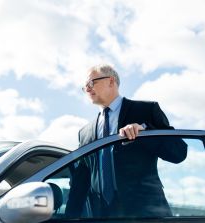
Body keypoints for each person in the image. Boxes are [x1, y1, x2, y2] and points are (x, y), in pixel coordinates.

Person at [65, 64, 187, 218]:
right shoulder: (84, 133)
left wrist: (146, 133)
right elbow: (80, 183)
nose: (87, 89)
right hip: (103, 216)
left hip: (146, 214)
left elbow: (179, 152)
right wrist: (69, 217)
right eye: (84, 87)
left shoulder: (146, 110)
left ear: (111, 81)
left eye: (91, 83)